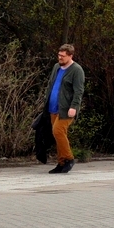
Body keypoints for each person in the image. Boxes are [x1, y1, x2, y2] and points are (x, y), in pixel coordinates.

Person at [42, 44, 85, 174]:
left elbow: (78, 91)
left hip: (66, 108)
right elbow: (51, 85)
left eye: (63, 56)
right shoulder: (56, 67)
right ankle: (61, 163)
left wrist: (74, 106)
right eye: (59, 55)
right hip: (53, 107)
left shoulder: (77, 70)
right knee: (58, 134)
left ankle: (69, 158)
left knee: (58, 131)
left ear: (70, 56)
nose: (60, 58)